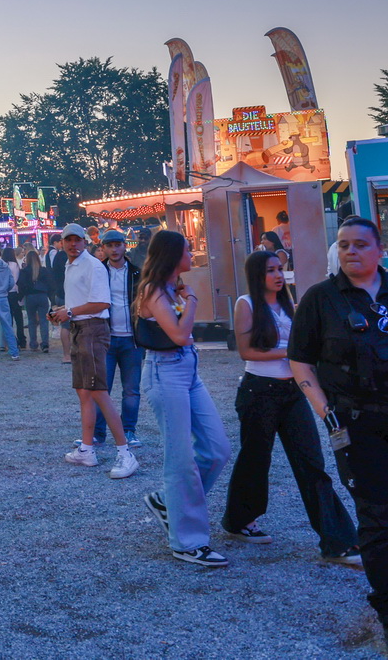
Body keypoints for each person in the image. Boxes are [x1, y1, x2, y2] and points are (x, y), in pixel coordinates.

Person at [288, 217, 388, 660]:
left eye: (360, 244)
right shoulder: (321, 298)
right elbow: (300, 360)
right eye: (343, 245)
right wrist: (324, 410)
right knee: (381, 520)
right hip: (359, 426)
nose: (350, 252)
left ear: (380, 251)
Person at [222, 250, 359, 564]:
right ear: (257, 275)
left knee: (311, 463)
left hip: (293, 392)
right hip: (259, 391)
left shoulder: (289, 305)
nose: (277, 275)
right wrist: (291, 352)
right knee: (255, 460)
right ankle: (238, 520)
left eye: (279, 269)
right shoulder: (246, 303)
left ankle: (338, 541)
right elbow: (247, 351)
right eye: (270, 270)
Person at [136, 229, 231, 567]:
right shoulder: (153, 290)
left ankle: (169, 502)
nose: (192, 254)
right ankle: (188, 541)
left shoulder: (170, 288)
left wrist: (185, 298)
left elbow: (183, 335)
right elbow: (179, 334)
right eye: (188, 250)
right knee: (181, 460)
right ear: (173, 255)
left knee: (217, 449)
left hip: (187, 370)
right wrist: (192, 299)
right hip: (165, 373)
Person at [51, 224, 138, 478]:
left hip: (93, 329)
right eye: (69, 240)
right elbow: (81, 301)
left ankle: (125, 453)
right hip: (81, 328)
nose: (73, 244)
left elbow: (102, 303)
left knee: (99, 391)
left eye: (77, 240)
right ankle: (87, 449)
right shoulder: (72, 265)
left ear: (85, 242)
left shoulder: (92, 266)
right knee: (84, 391)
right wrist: (62, 312)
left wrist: (69, 311)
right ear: (63, 242)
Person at [91, 229, 144, 448]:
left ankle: (128, 431)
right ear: (103, 248)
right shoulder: (98, 272)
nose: (114, 249)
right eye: (109, 245)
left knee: (131, 390)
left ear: (124, 246)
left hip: (132, 339)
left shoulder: (137, 273)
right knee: (102, 389)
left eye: (117, 245)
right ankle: (98, 433)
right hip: (106, 338)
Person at [45, 234, 71, 362]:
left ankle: (67, 354)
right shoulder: (68, 257)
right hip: (69, 293)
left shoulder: (56, 256)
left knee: (65, 326)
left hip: (59, 291)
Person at [19, 249, 51, 353]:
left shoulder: (24, 271)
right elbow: (50, 284)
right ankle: (45, 344)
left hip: (30, 296)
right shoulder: (43, 270)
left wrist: (20, 296)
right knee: (43, 320)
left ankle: (33, 343)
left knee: (32, 321)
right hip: (42, 295)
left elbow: (21, 285)